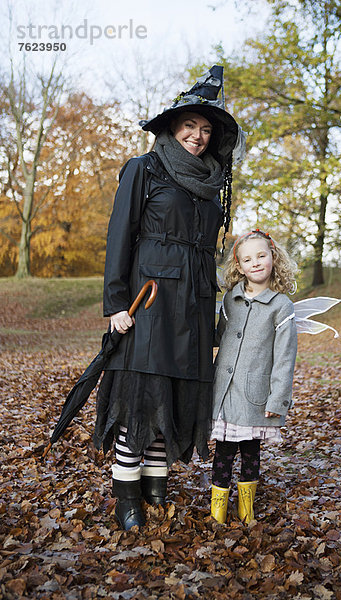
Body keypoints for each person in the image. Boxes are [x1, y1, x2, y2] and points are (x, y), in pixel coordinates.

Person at [92, 65, 244, 530]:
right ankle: (127, 495)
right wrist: (117, 303)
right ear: (172, 128)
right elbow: (121, 236)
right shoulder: (144, 169)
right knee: (139, 397)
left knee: (173, 394)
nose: (198, 136)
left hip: (194, 303)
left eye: (205, 129)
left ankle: (156, 481)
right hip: (150, 300)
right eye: (189, 126)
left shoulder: (211, 184)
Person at [210, 229, 298, 524]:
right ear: (239, 266)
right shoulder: (229, 300)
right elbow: (219, 338)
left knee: (250, 453)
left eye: (262, 256)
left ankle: (246, 512)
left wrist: (278, 399)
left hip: (254, 395)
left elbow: (285, 358)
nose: (256, 263)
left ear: (274, 257)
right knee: (223, 453)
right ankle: (217, 513)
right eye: (248, 259)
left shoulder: (281, 306)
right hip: (224, 391)